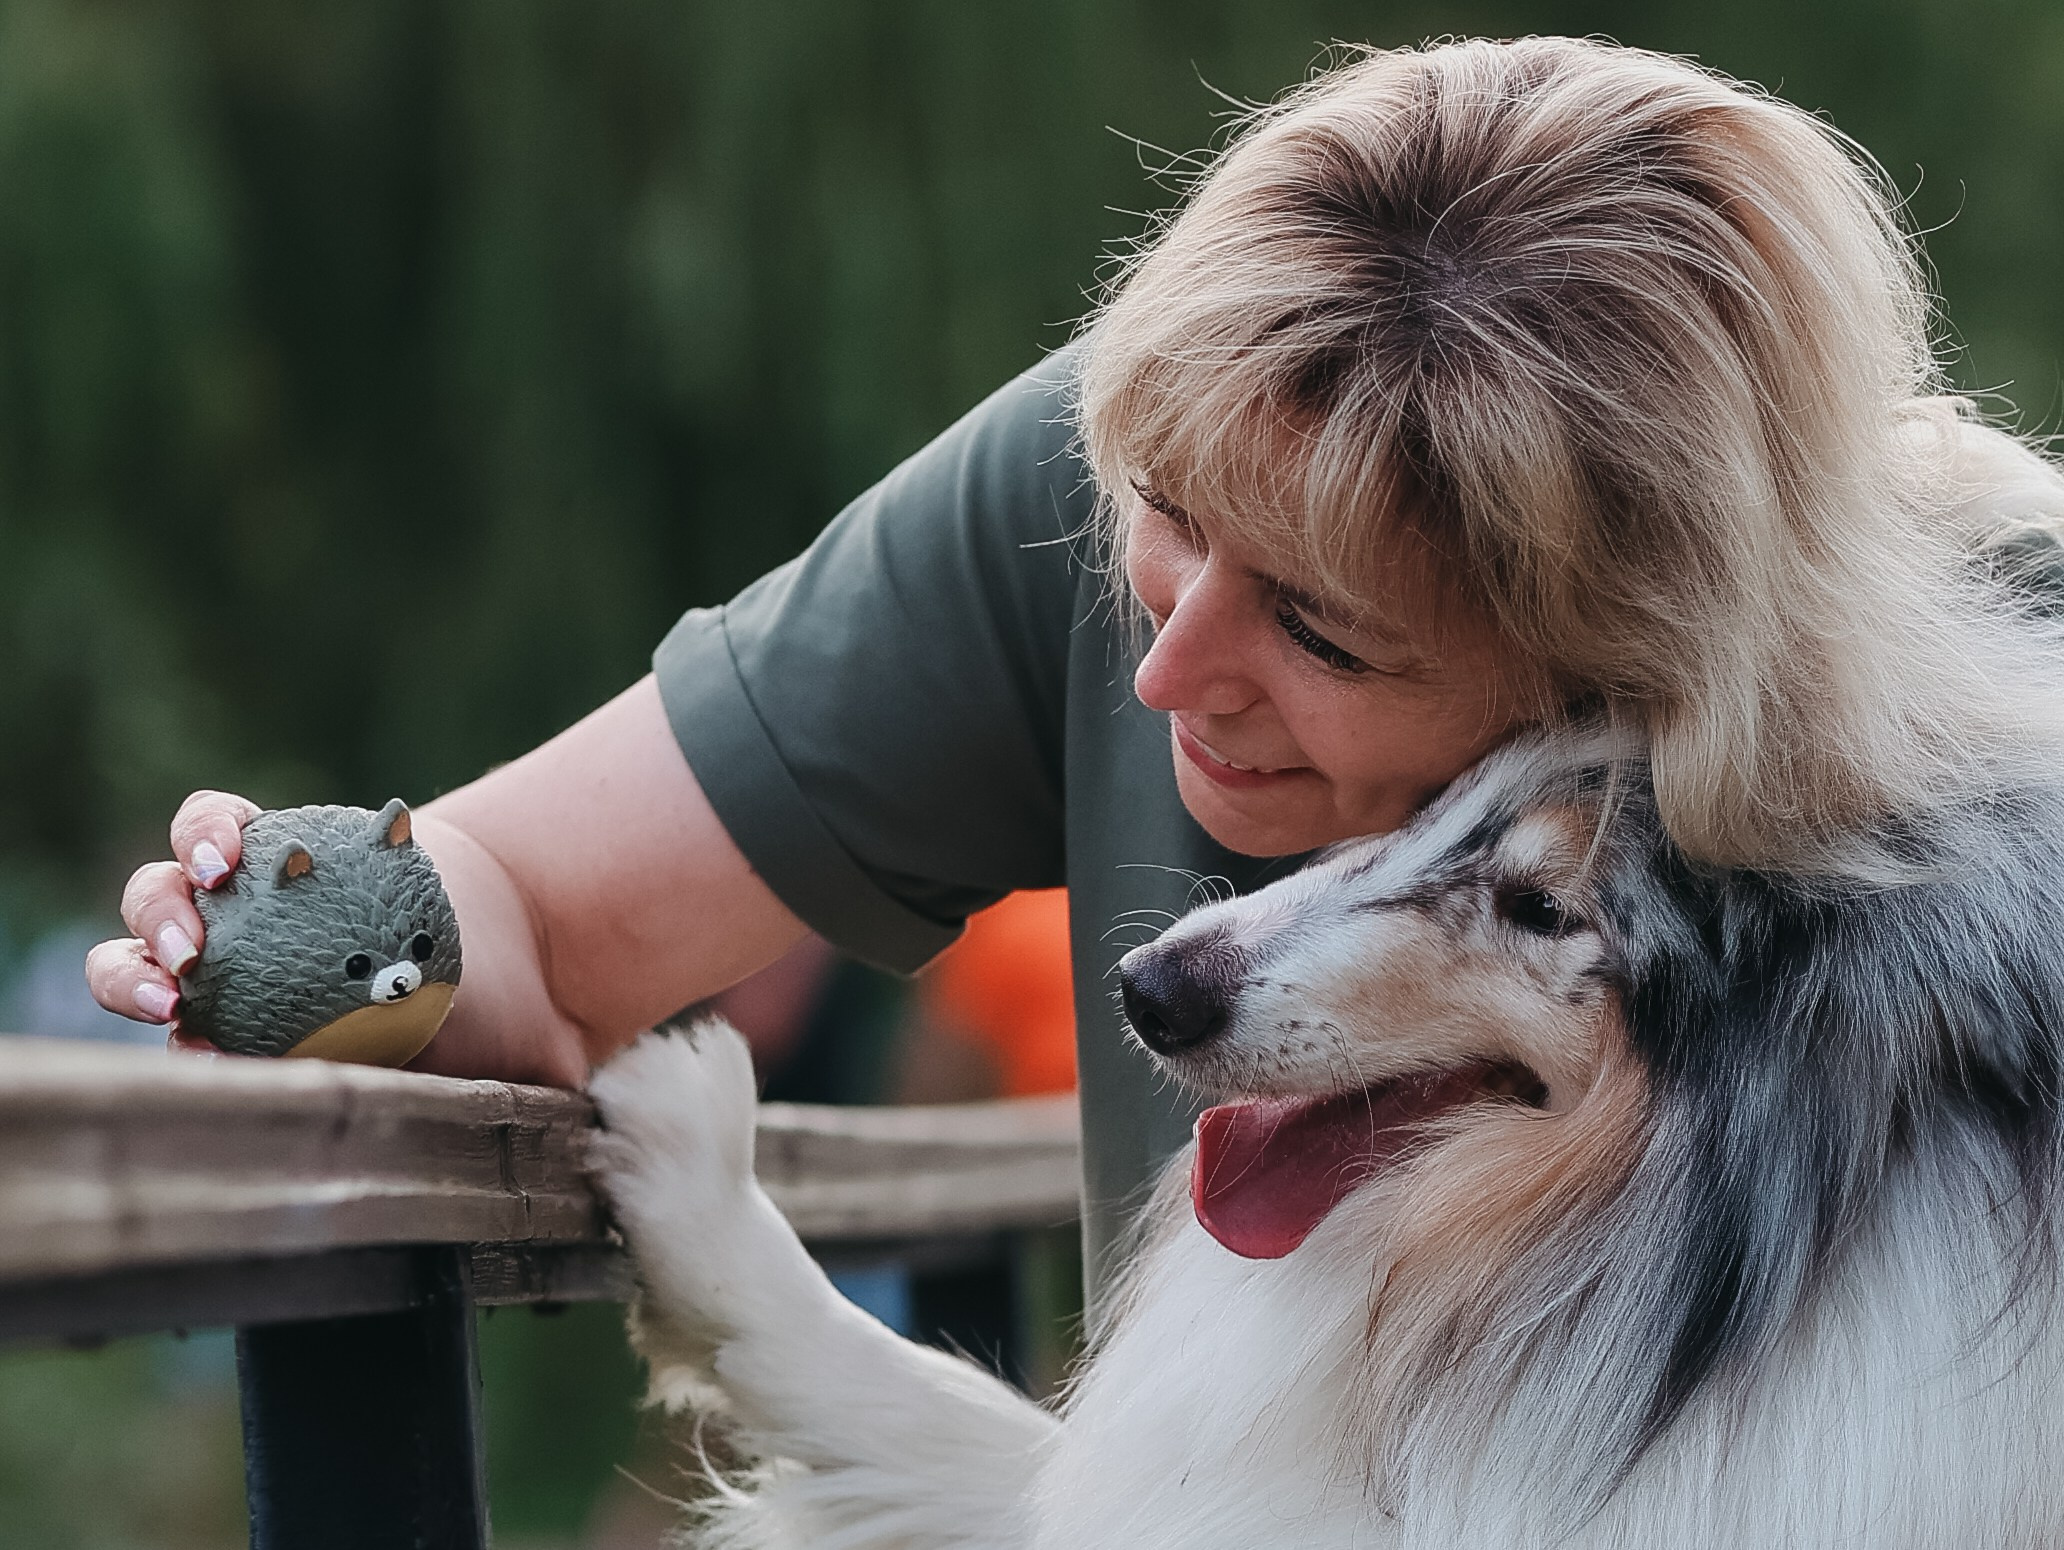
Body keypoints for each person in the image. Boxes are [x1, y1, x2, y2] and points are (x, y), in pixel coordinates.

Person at [83, 36, 2064, 1304]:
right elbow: (534, 917)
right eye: (1164, 518)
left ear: (1628, 675)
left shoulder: (2002, 782)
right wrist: (356, 935)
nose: (1167, 664)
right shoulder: (1146, 457)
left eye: (1324, 628)